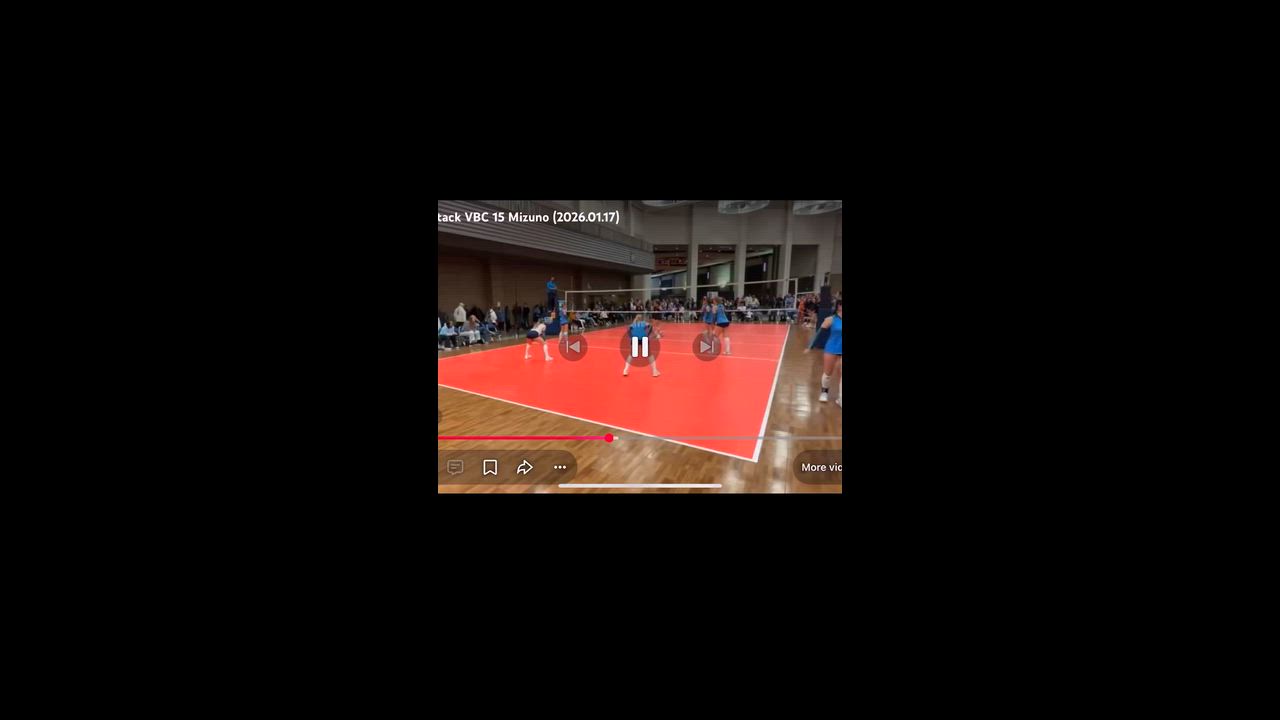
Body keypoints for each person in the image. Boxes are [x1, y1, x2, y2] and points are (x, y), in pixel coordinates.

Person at [817, 299, 842, 403]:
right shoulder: (832, 319)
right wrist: (823, 324)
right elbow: (819, 332)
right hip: (832, 348)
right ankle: (824, 392)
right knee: (828, 373)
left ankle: (841, 398)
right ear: (839, 306)